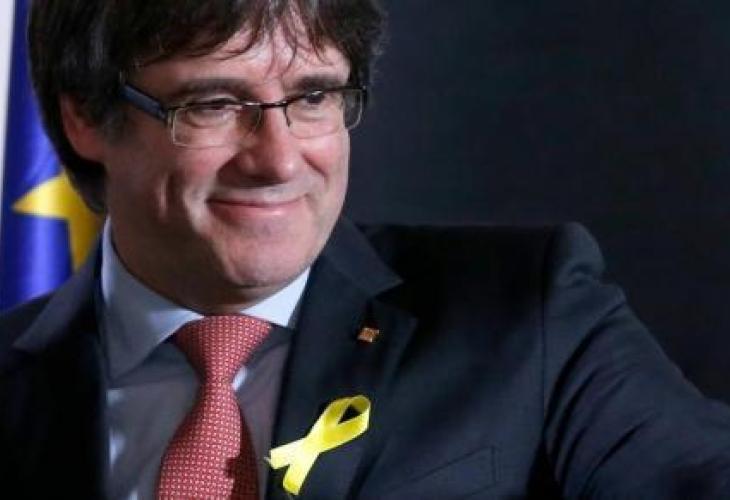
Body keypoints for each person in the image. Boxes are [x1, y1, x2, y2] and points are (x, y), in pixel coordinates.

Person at [1, 0, 730, 498]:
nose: (279, 160)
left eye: (314, 98)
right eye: (215, 105)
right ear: (85, 116)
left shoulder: (533, 315)